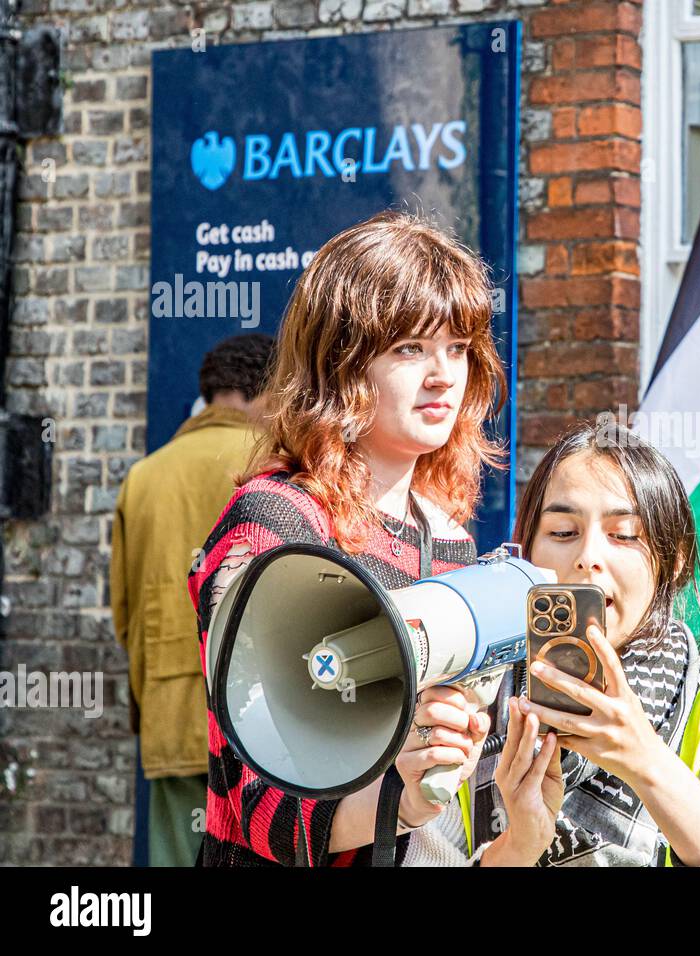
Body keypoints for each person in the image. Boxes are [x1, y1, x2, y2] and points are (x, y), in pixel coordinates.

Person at [186, 210, 506, 866]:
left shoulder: (450, 537)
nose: (444, 374)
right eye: (409, 348)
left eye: (457, 348)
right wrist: (406, 800)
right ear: (340, 364)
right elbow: (255, 804)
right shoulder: (274, 523)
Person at [403, 421, 700, 866]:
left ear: (674, 561)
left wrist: (646, 762)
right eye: (563, 532)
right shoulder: (473, 709)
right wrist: (520, 845)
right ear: (526, 555)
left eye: (624, 535)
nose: (588, 555)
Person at [110, 333, 275, 867]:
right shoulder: (279, 466)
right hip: (269, 717)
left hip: (175, 712)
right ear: (266, 389)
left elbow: (124, 613)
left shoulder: (144, 477)